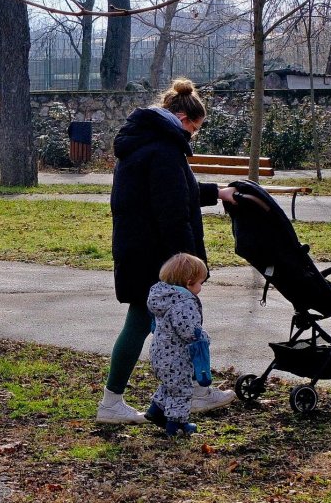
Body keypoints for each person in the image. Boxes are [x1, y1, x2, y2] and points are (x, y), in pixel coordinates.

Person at [95, 78, 237, 424]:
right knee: (169, 323)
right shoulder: (164, 148)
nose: (192, 136)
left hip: (138, 249)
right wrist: (188, 265)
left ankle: (125, 400)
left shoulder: (144, 140)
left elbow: (178, 190)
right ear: (181, 118)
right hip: (158, 256)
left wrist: (217, 192)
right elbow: (172, 210)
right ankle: (185, 393)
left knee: (152, 322)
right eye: (194, 129)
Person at [145, 253, 212, 437]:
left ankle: (155, 411)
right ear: (189, 283)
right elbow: (189, 331)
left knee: (170, 385)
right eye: (201, 283)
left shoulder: (163, 296)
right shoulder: (184, 302)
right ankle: (176, 426)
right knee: (182, 391)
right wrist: (203, 337)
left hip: (160, 353)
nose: (201, 287)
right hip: (176, 357)